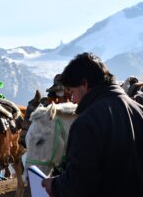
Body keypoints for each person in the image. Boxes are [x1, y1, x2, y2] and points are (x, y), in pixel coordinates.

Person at [41, 52, 143, 197]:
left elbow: (79, 185)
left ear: (84, 84)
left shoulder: (87, 122)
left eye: (73, 92)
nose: (73, 100)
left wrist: (55, 185)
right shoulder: (139, 110)